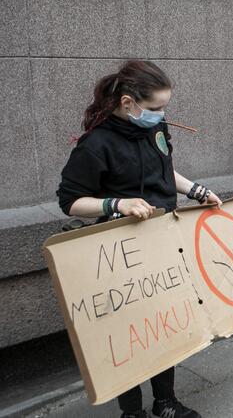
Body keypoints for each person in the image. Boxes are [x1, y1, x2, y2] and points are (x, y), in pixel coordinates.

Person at [57, 60, 219, 418]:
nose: (162, 115)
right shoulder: (95, 144)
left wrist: (197, 190)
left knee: (164, 326)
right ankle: (132, 412)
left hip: (162, 240)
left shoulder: (154, 129)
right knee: (128, 337)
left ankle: (166, 403)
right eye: (155, 108)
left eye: (164, 107)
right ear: (128, 103)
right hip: (121, 253)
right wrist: (118, 203)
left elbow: (164, 169)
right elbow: (69, 201)